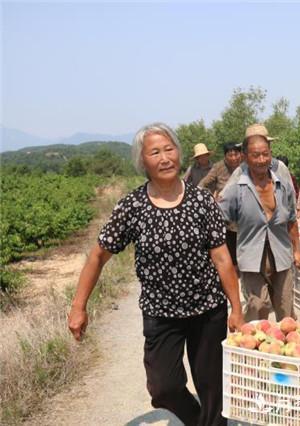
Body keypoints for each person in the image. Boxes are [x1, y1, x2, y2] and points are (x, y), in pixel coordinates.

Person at [67, 123, 243, 426]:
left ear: (179, 153)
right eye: (155, 152)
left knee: (213, 386)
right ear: (143, 161)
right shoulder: (132, 206)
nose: (164, 157)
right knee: (164, 388)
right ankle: (200, 420)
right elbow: (98, 255)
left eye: (169, 149)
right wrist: (78, 306)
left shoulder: (202, 202)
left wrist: (237, 308)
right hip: (161, 314)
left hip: (207, 310)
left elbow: (222, 258)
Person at [219, 124, 300, 322]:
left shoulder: (281, 179)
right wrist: (225, 257)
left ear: (271, 153)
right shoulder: (237, 184)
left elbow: (291, 218)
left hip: (280, 253)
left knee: (285, 308)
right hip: (251, 255)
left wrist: (297, 249)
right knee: (258, 306)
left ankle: (284, 351)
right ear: (245, 156)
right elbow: (219, 219)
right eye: (255, 155)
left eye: (265, 154)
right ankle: (256, 349)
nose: (261, 160)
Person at [198, 142, 243, 267]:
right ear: (225, 156)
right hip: (227, 214)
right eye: (230, 155)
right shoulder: (218, 167)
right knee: (230, 246)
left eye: (236, 154)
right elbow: (202, 184)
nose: (234, 158)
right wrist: (211, 198)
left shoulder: (245, 166)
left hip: (244, 211)